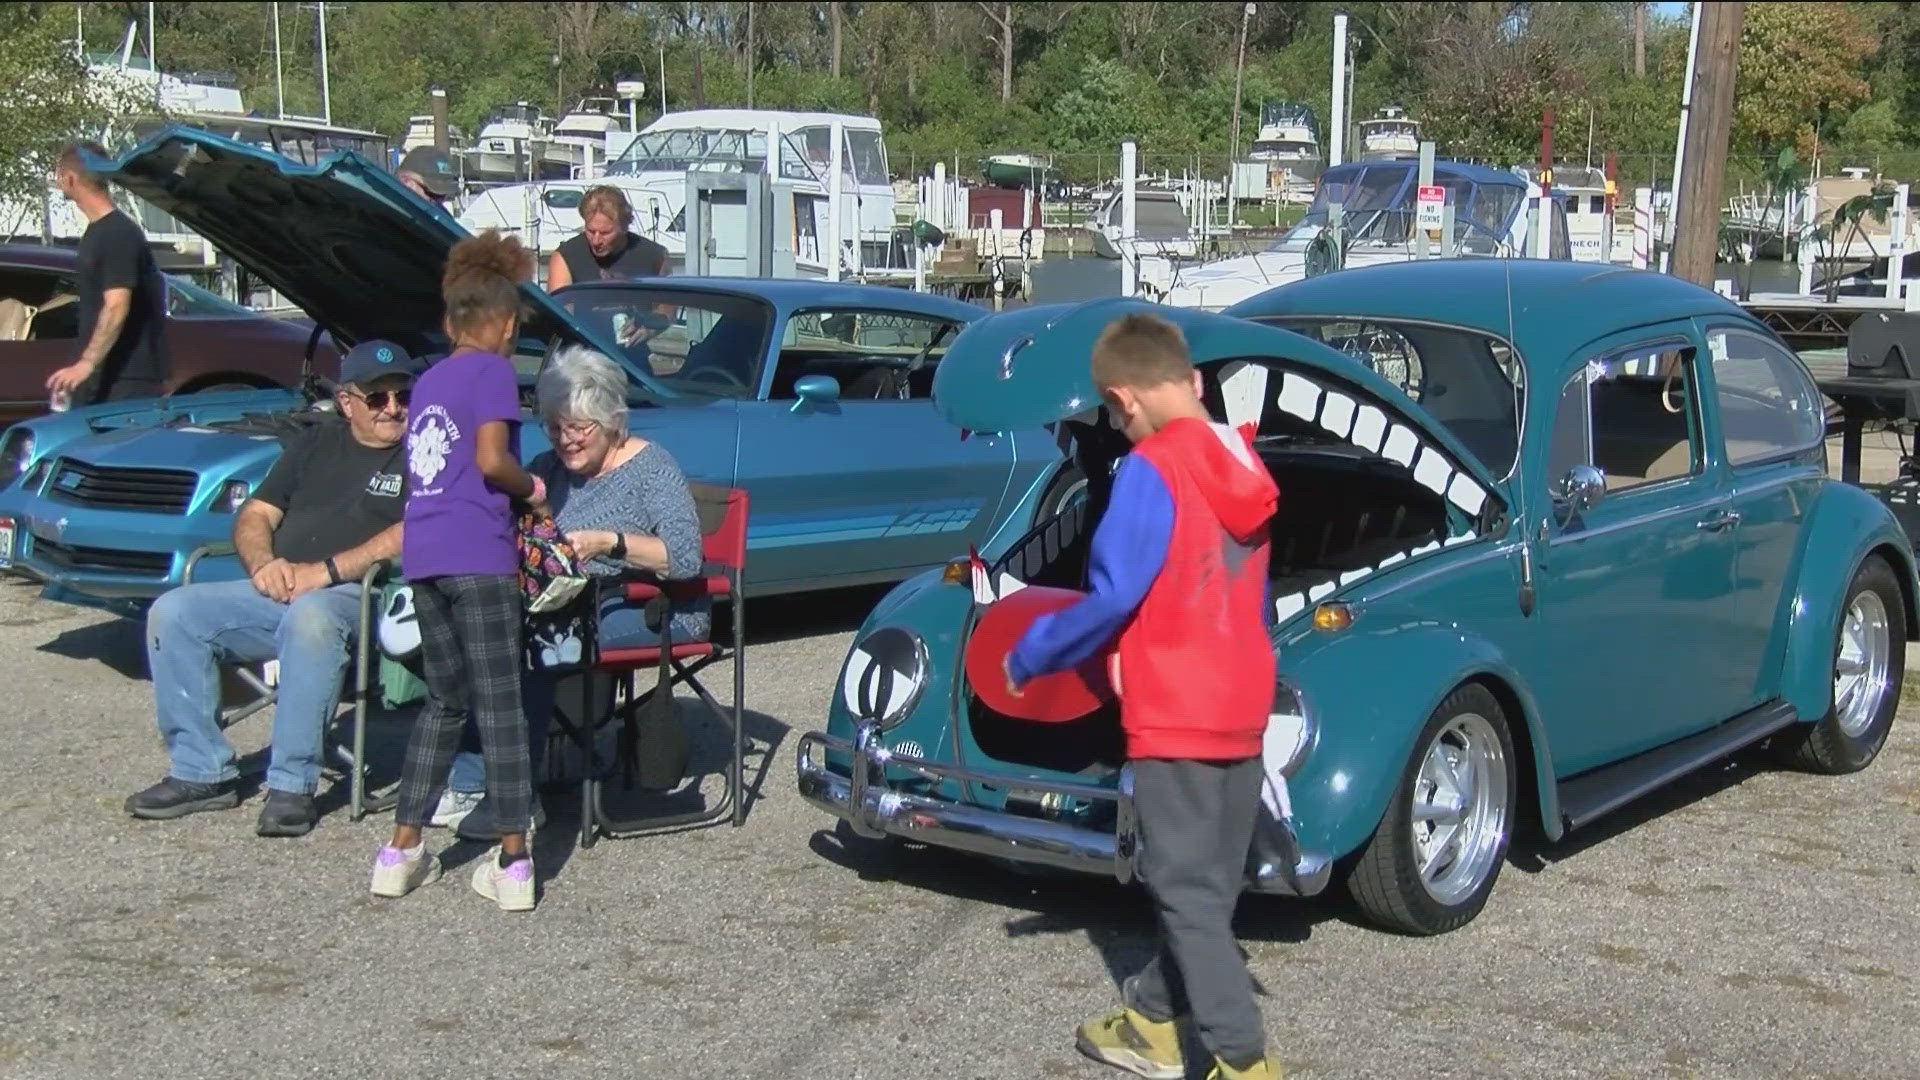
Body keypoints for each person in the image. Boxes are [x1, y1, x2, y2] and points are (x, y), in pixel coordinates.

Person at [1004, 312, 1283, 1080]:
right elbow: (1252, 596)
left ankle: (1245, 1060)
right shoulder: (1244, 460)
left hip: (1178, 708)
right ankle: (1155, 1023)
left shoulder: (1151, 470)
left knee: (1187, 892)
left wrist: (1034, 651)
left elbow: (1113, 593)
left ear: (1123, 400)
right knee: (1208, 887)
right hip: (1243, 699)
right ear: (1192, 382)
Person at [126, 340, 422, 837]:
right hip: (283, 585)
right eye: (377, 398)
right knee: (174, 611)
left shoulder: (424, 452)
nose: (393, 408)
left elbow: (411, 532)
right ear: (347, 402)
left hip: (364, 597)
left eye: (402, 395)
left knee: (313, 617)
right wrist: (264, 564)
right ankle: (201, 772)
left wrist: (323, 573)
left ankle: (292, 784)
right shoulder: (314, 443)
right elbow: (257, 513)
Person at [434, 345, 708, 838]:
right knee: (480, 619)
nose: (565, 441)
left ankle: (507, 794)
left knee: (528, 640)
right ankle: (477, 778)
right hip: (567, 604)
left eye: (578, 428)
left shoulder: (652, 467)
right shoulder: (548, 467)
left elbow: (685, 558)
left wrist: (610, 542)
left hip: (649, 608)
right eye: (555, 427)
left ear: (611, 420)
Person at [371, 231, 547, 912]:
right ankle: (515, 860)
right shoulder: (494, 373)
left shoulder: (430, 380)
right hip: (480, 555)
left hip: (425, 554)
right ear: (504, 323)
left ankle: (401, 848)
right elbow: (492, 460)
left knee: (444, 699)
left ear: (450, 320)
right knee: (501, 703)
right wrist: (531, 490)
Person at [46, 141, 171, 406]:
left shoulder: (118, 234)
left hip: (126, 382)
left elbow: (116, 306)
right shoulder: (98, 232)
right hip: (103, 379)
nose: (57, 181)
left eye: (58, 175)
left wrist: (86, 363)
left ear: (70, 178)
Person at [546, 185, 669, 291]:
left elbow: (664, 314)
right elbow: (558, 312)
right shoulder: (567, 257)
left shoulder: (654, 257)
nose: (596, 241)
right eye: (591, 231)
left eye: (605, 233)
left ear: (624, 227)